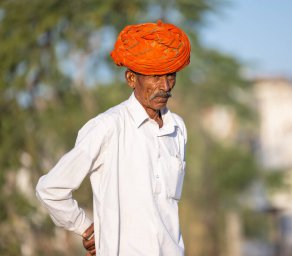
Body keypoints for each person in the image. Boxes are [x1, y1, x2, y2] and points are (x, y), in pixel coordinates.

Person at [36, 20, 191, 256]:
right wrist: (85, 228)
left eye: (170, 76)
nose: (165, 86)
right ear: (131, 79)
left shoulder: (177, 128)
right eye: (155, 77)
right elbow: (50, 188)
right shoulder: (107, 127)